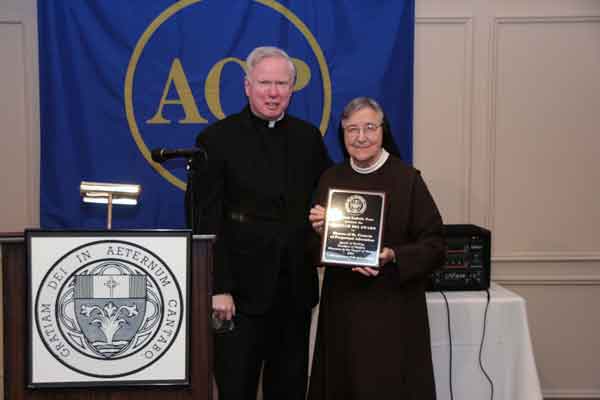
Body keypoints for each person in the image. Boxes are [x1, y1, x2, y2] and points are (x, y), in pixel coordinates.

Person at [186, 46, 331, 400]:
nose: (273, 92)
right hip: (238, 296)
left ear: (292, 89)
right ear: (247, 85)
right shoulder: (216, 139)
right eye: (265, 82)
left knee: (291, 388)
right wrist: (217, 286)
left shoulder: (308, 138)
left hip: (295, 292)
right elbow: (204, 217)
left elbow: (327, 200)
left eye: (282, 83)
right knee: (237, 389)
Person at [307, 97, 446, 400]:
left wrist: (393, 255)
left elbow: (435, 245)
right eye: (352, 129)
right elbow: (312, 249)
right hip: (342, 307)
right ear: (342, 135)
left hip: (394, 310)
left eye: (370, 127)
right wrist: (320, 232)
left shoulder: (408, 179)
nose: (361, 137)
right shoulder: (331, 178)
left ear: (383, 130)